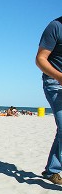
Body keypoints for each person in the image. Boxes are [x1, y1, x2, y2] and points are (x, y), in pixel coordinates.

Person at [36, 16, 62, 184]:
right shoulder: (55, 26)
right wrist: (59, 77)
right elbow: (40, 59)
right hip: (55, 82)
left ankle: (52, 170)